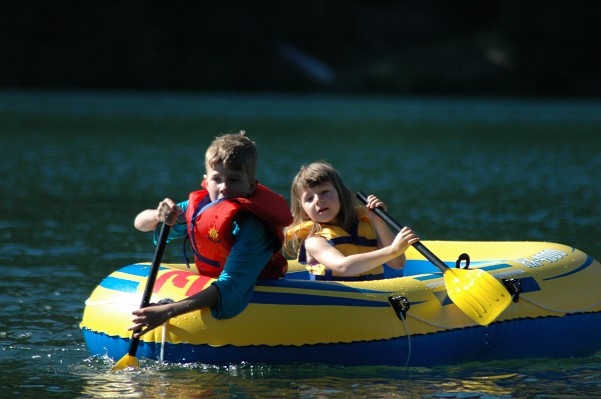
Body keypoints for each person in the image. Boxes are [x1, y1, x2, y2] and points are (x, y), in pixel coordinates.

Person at [129, 131, 292, 338]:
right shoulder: (202, 206)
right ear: (206, 181)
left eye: (234, 180)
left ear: (251, 185)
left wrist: (168, 310)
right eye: (217, 179)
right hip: (213, 281)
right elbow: (140, 224)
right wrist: (158, 214)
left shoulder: (253, 227)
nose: (224, 188)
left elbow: (230, 285)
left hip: (256, 289)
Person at [284, 161, 419, 281]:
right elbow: (343, 266)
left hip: (373, 297)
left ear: (341, 194)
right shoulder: (314, 241)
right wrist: (393, 250)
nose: (318, 200)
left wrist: (379, 221)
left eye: (324, 191)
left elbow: (398, 264)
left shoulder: (367, 226)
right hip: (335, 302)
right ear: (303, 211)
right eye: (309, 199)